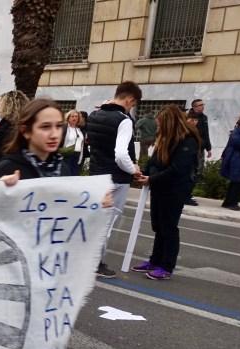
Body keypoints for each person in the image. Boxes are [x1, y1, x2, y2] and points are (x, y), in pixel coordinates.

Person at [0, 98, 112, 349]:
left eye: (59, 126)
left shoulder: (62, 166)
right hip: (13, 279)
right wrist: (2, 194)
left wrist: (93, 205)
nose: (54, 133)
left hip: (48, 279)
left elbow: (66, 216)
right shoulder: (11, 167)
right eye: (45, 127)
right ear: (26, 131)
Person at [132, 106, 202, 280]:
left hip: (174, 189)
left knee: (168, 228)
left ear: (170, 123)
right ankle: (155, 261)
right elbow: (155, 159)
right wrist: (143, 172)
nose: (158, 126)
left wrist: (152, 179)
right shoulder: (165, 137)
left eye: (160, 122)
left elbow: (177, 169)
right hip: (160, 186)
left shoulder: (187, 140)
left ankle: (166, 266)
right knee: (158, 226)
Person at [86, 81, 143, 278]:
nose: (131, 109)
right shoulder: (124, 121)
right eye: (133, 105)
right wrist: (133, 169)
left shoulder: (95, 114)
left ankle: (87, 259)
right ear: (130, 100)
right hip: (116, 178)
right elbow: (120, 154)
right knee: (107, 224)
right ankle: (95, 263)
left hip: (96, 174)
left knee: (96, 220)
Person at [189, 99, 212, 205]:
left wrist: (208, 148)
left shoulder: (204, 118)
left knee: (198, 170)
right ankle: (187, 193)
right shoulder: (189, 117)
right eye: (200, 105)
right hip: (191, 148)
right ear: (194, 107)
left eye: (203, 104)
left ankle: (189, 192)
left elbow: (206, 133)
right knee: (191, 171)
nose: (202, 106)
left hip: (200, 148)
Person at [60, 109, 85, 176]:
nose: (74, 118)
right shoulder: (64, 128)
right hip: (67, 155)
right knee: (67, 175)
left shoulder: (79, 130)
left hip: (77, 155)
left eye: (76, 116)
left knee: (75, 175)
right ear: (68, 117)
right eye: (72, 116)